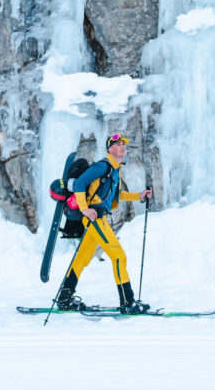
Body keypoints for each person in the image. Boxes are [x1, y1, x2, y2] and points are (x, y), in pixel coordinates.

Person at [56, 133, 153, 314]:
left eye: (123, 144)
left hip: (98, 218)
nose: (122, 147)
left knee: (82, 258)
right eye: (117, 144)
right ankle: (127, 302)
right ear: (110, 149)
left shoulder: (115, 170)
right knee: (119, 256)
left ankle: (64, 299)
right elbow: (79, 185)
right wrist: (84, 208)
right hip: (94, 218)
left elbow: (117, 195)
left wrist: (139, 195)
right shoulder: (103, 166)